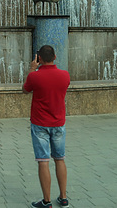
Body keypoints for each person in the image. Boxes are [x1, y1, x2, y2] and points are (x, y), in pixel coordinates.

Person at [23, 45, 71, 208]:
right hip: (58, 123)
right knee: (60, 159)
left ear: (39, 59)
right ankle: (63, 198)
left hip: (40, 124)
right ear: (55, 57)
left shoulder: (35, 77)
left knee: (43, 161)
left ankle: (47, 201)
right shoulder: (65, 75)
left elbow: (25, 90)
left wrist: (31, 69)